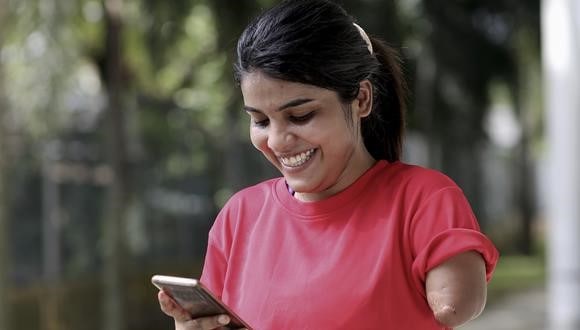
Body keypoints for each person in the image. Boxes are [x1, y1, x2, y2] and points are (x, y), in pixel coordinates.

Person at [157, 0, 499, 329]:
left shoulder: (423, 199)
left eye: (301, 116)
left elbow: (455, 305)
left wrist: (452, 287)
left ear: (362, 99)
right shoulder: (239, 216)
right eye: (260, 121)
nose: (276, 140)